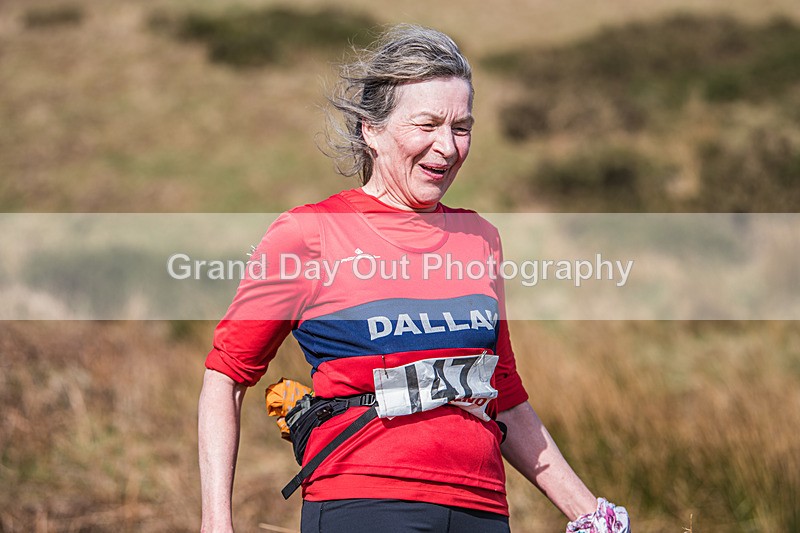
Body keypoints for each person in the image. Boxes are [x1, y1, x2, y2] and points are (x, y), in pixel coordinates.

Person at [198, 24, 629, 533]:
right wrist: (216, 522)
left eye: (461, 127)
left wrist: (591, 515)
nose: (447, 147)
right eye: (427, 125)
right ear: (371, 129)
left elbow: (503, 392)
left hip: (482, 507)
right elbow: (226, 376)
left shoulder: (480, 238)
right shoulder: (309, 233)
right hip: (364, 498)